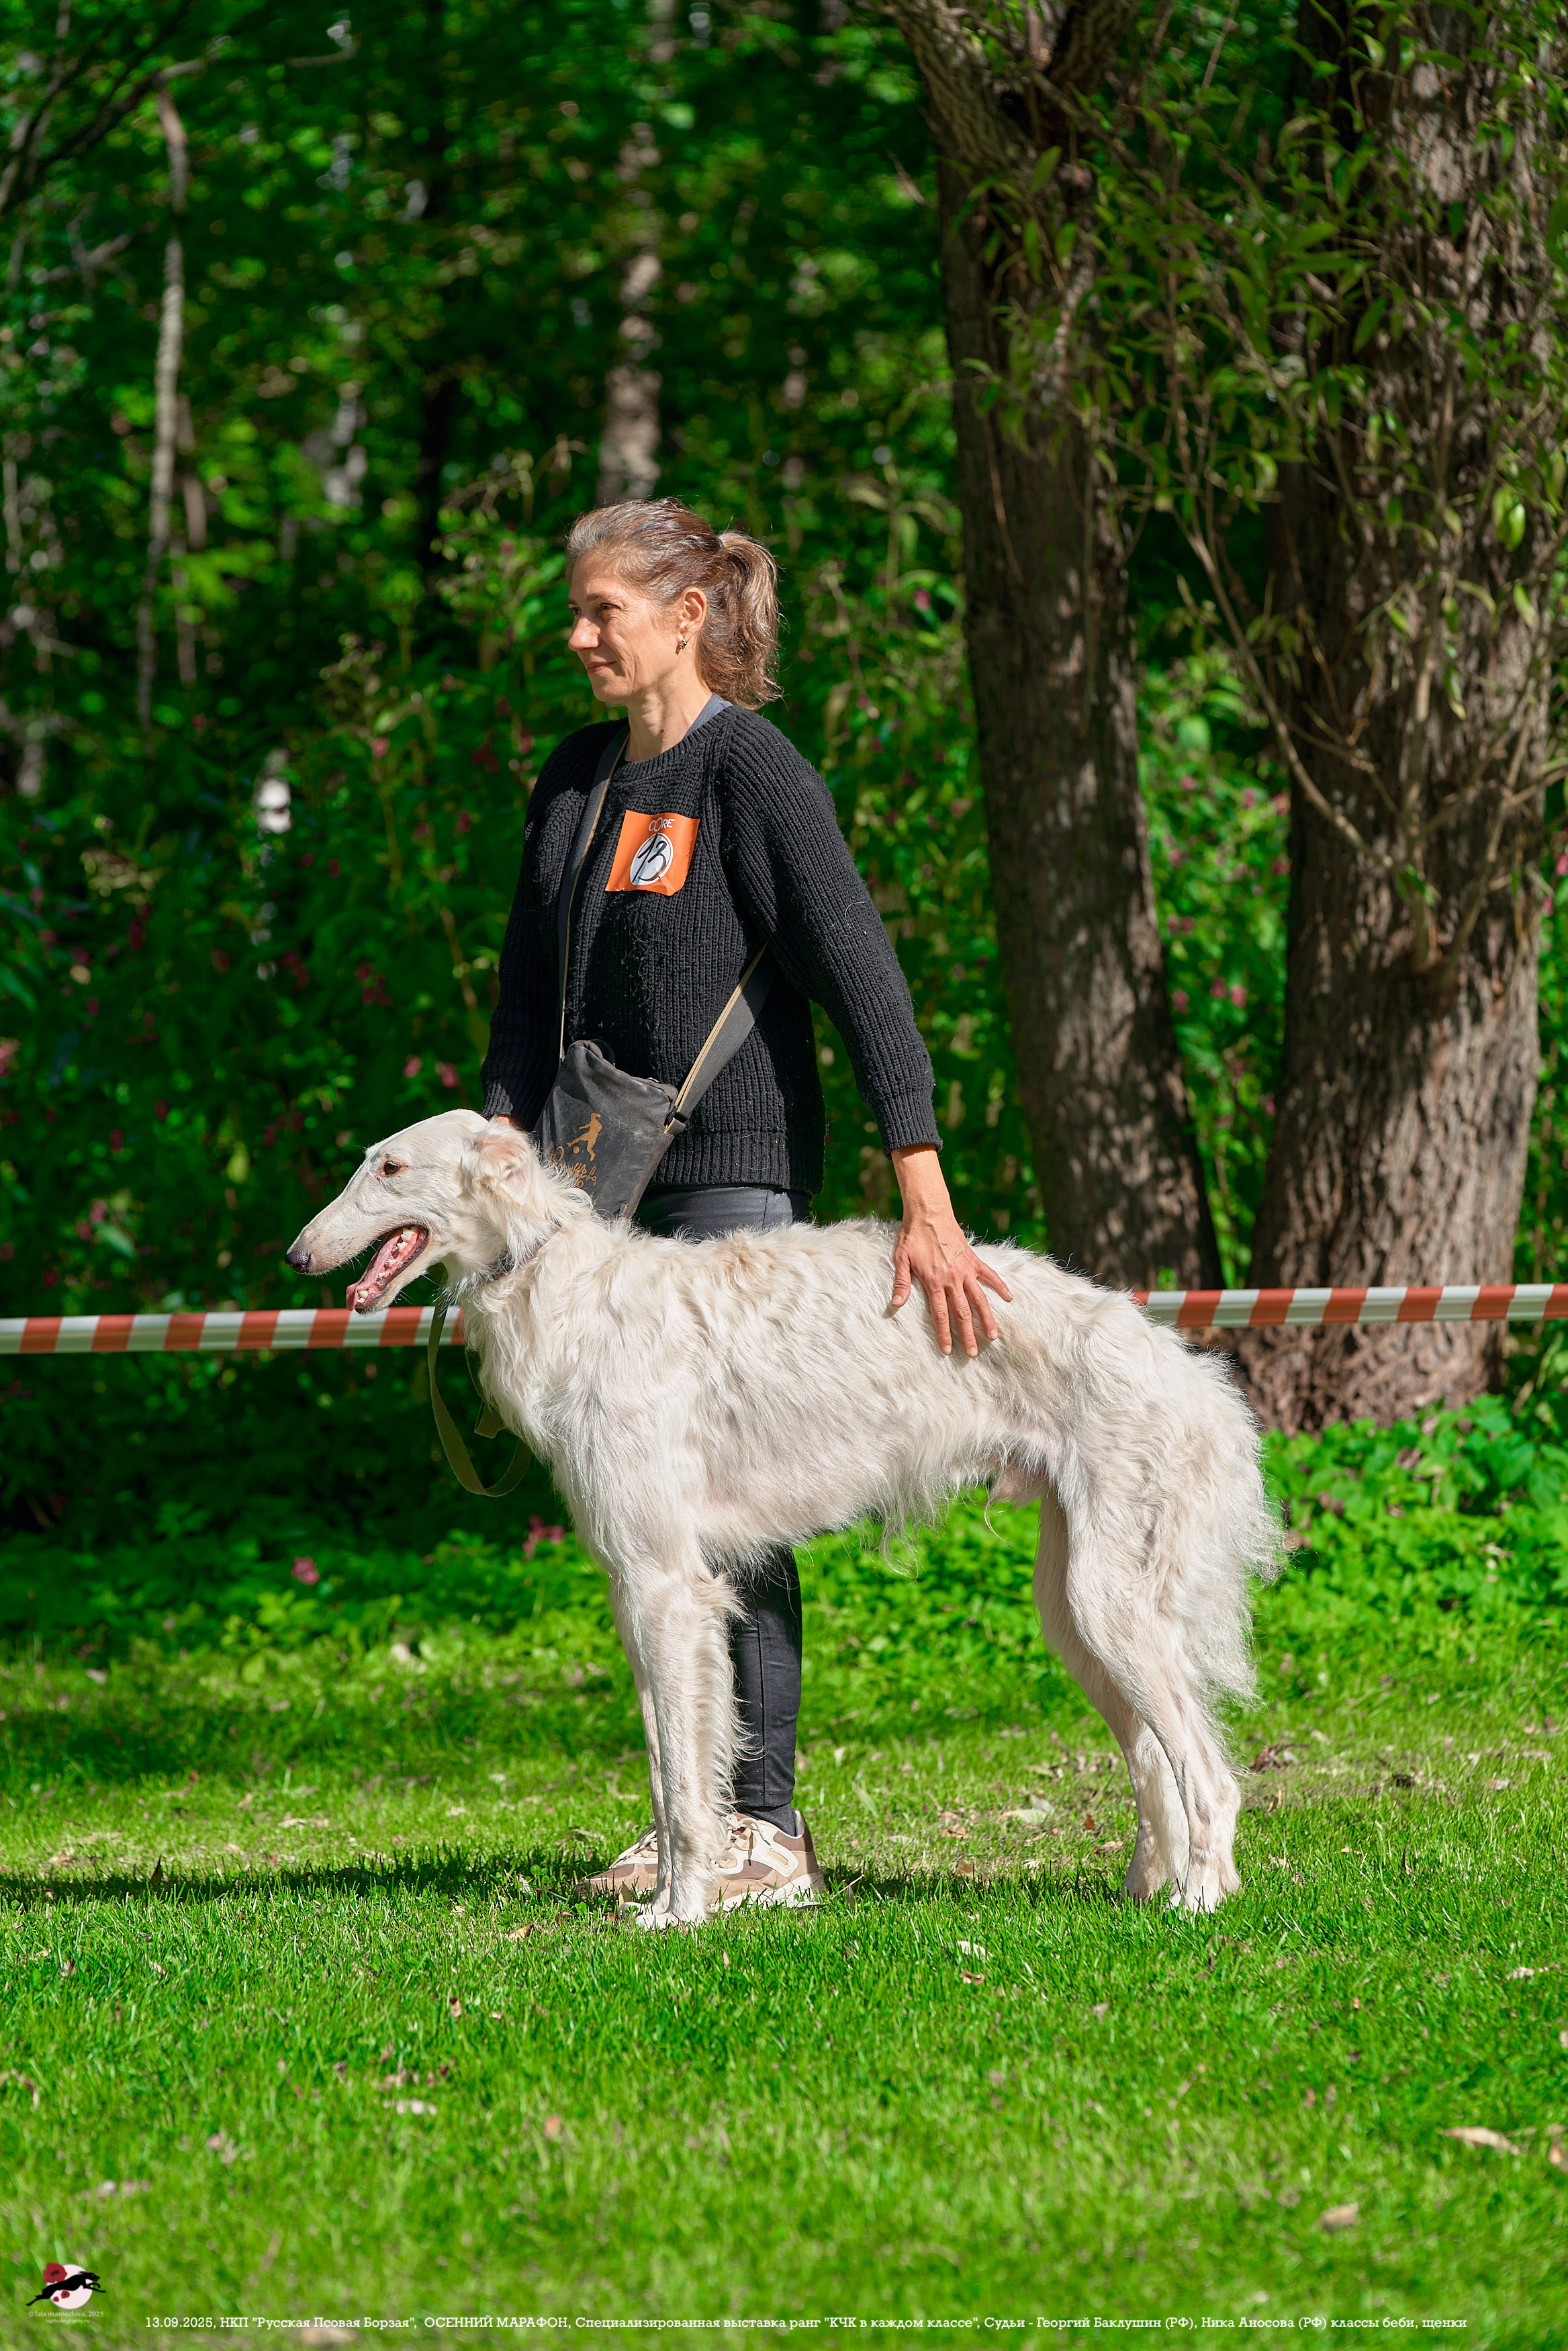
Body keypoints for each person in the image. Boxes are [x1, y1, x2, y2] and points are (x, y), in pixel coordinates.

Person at [479, 496, 1010, 1908]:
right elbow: (524, 1010)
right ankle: (687, 1819)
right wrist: (493, 1181)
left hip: (732, 1175)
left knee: (733, 1501)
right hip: (589, 1201)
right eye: (576, 608)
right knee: (648, 1517)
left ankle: (763, 1822)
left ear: (687, 616)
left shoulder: (753, 771)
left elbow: (863, 979)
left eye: (600, 609)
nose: (576, 632)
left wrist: (925, 1192)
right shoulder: (574, 779)